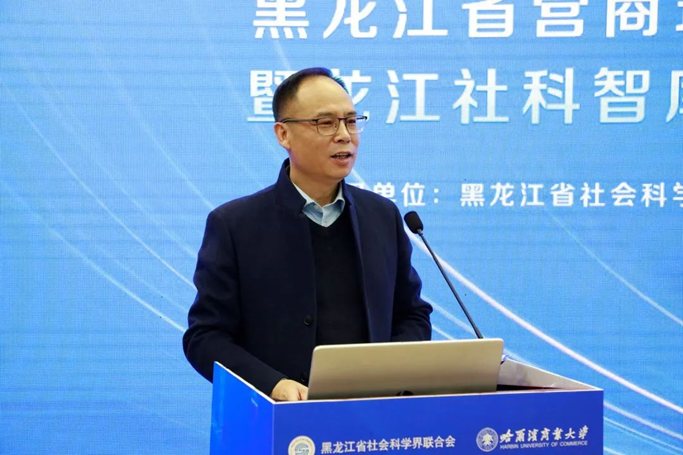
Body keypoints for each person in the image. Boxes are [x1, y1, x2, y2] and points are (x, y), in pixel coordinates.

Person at [183, 67, 432, 402]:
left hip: (372, 414)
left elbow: (412, 315)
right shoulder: (235, 225)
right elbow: (205, 337)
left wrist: (388, 374)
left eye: (351, 121)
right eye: (325, 123)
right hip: (277, 417)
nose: (344, 135)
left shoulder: (382, 216)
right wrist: (273, 385)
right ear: (283, 134)